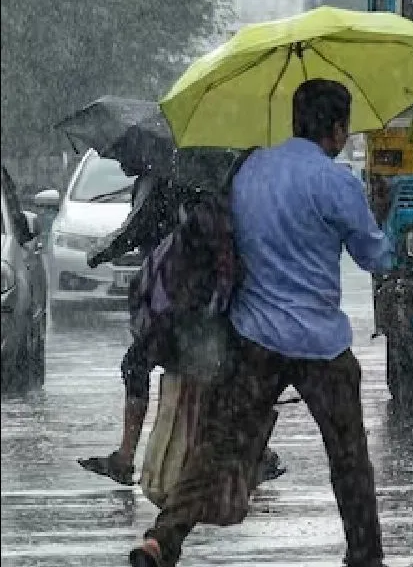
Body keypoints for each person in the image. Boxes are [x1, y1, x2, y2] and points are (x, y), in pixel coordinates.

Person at [131, 79, 394, 567]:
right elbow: (375, 256)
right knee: (348, 457)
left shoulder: (249, 171)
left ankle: (162, 539)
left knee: (216, 447)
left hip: (254, 340)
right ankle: (365, 556)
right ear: (337, 130)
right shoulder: (336, 183)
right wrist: (381, 211)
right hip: (321, 345)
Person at [79, 151, 285, 488]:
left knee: (165, 369)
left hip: (181, 303)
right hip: (193, 301)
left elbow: (135, 230)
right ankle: (250, 453)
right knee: (212, 374)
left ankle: (133, 457)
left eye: (122, 156)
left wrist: (102, 253)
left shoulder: (169, 187)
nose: (120, 162)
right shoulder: (210, 188)